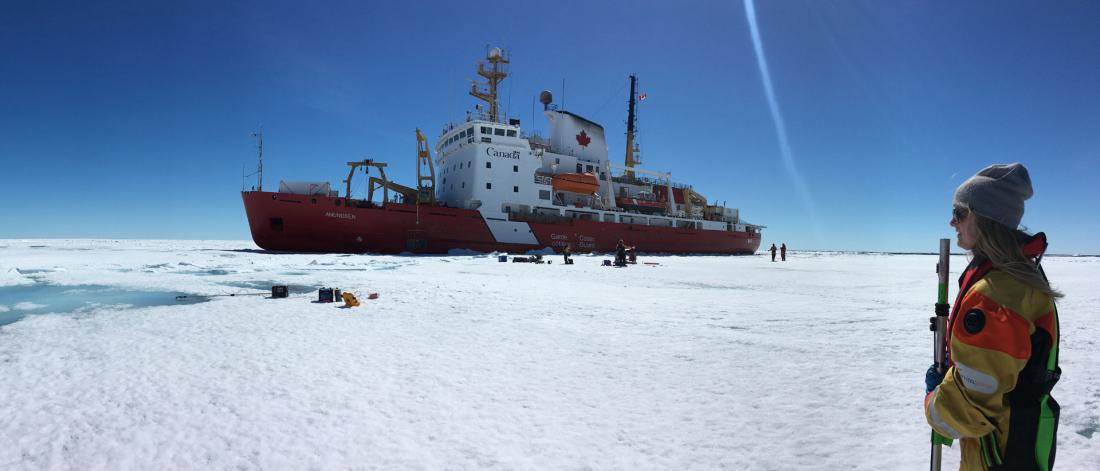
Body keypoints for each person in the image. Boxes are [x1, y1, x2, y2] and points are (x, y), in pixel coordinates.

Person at [924, 163, 1062, 470]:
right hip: (1016, 448)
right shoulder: (1017, 279)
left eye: (958, 213)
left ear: (982, 217)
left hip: (998, 456)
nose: (952, 222)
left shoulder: (996, 296)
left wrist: (933, 399)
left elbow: (971, 410)